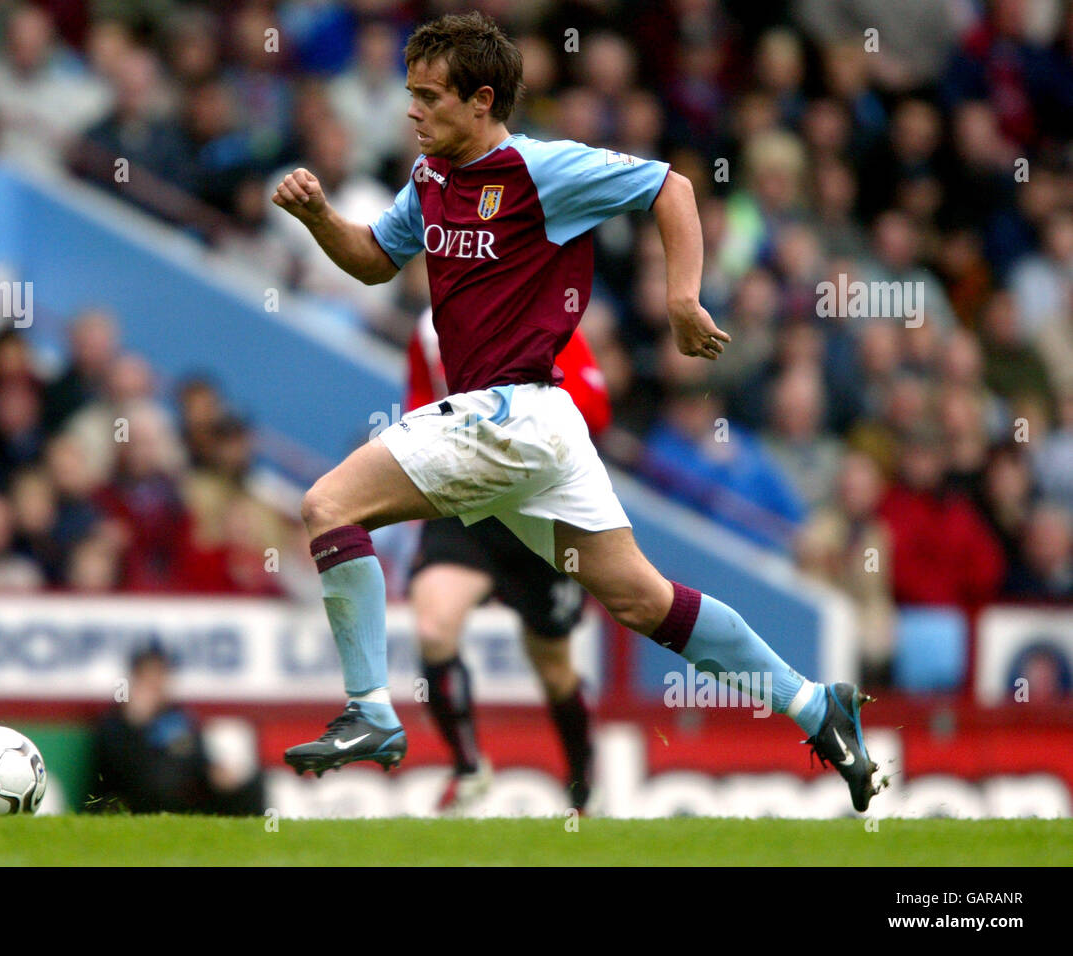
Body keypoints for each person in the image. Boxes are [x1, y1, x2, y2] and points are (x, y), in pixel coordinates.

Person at [271, 12, 880, 812]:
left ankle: (371, 712)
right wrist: (319, 217)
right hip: (533, 433)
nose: (410, 112)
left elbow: (673, 185)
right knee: (642, 599)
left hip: (511, 414)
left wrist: (682, 297)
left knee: (326, 505)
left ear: (482, 99)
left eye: (428, 97)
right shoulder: (428, 181)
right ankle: (813, 703)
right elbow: (377, 262)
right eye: (409, 95)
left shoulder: (539, 170)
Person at [407, 307, 608, 813]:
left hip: (538, 507)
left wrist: (513, 427)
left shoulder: (544, 319)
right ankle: (468, 767)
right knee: (434, 626)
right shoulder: (428, 327)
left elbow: (595, 408)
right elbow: (416, 402)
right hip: (466, 501)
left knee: (554, 666)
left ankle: (584, 781)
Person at [88, 642, 264, 815]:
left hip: (187, 796)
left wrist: (216, 772)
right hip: (136, 797)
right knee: (160, 781)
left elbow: (198, 760)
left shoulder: (179, 718)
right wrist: (135, 724)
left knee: (252, 783)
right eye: (149, 675)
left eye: (161, 675)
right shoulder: (116, 721)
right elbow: (113, 769)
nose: (155, 683)